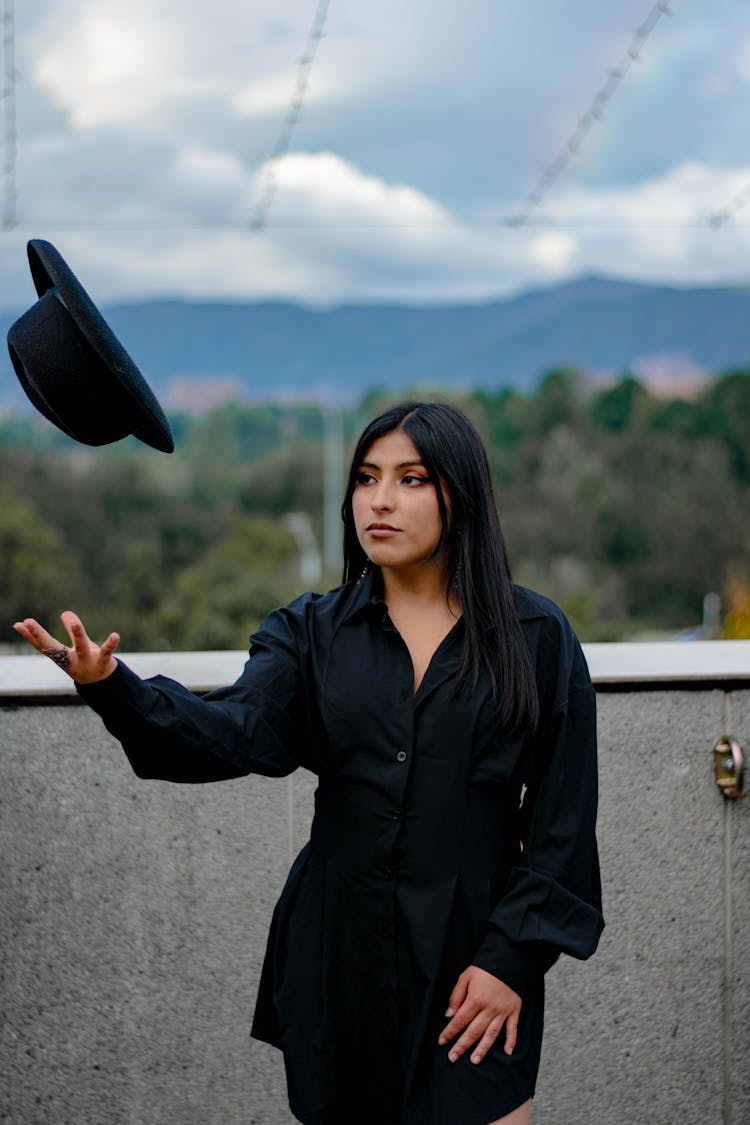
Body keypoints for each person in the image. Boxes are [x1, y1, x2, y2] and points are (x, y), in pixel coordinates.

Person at [13, 400, 603, 1125]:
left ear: (462, 493)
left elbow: (561, 822)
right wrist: (113, 688)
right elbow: (231, 731)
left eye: (411, 478)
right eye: (365, 477)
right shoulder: (308, 632)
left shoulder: (536, 636)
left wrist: (510, 959)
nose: (379, 500)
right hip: (338, 956)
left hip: (473, 965)